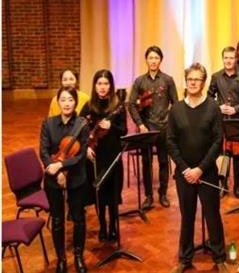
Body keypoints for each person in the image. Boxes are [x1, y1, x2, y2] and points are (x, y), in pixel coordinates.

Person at [166, 63, 228, 273]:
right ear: (186, 81)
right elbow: (170, 141)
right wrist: (185, 169)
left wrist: (200, 169)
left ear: (203, 83)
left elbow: (218, 141)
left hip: (207, 171)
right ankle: (185, 258)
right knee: (187, 216)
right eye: (190, 79)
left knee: (212, 215)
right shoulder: (176, 109)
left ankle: (219, 257)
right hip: (184, 174)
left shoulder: (212, 107)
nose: (192, 83)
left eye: (197, 79)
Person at [40, 86, 89, 273]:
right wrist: (56, 171)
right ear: (58, 102)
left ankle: (78, 256)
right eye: (63, 100)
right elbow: (43, 152)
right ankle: (61, 258)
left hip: (76, 176)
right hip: (53, 178)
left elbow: (81, 155)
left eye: (70, 99)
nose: (67, 103)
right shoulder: (48, 124)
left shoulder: (82, 124)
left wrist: (61, 165)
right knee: (58, 220)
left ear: (75, 102)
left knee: (78, 218)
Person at [129, 45, 178, 209]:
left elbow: (176, 104)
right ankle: (148, 196)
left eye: (156, 58)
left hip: (164, 128)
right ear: (146, 60)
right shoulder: (139, 81)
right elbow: (131, 104)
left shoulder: (168, 80)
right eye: (150, 58)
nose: (153, 61)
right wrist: (140, 124)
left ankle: (162, 193)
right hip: (146, 129)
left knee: (164, 161)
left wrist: (171, 123)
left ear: (160, 60)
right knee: (146, 162)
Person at [80, 70, 126, 242]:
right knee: (99, 195)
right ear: (94, 86)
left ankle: (113, 225)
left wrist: (111, 126)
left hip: (113, 156)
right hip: (95, 157)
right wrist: (86, 148)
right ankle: (102, 226)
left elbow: (124, 131)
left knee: (113, 195)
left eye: (106, 84)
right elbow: (80, 132)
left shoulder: (117, 106)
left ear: (111, 86)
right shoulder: (88, 106)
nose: (102, 87)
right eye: (99, 83)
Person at [208, 46, 239, 199]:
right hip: (221, 121)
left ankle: (237, 185)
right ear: (222, 59)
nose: (228, 60)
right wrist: (218, 107)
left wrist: (235, 109)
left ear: (235, 59)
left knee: (237, 155)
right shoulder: (216, 77)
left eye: (231, 58)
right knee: (222, 153)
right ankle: (223, 183)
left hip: (236, 120)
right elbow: (209, 97)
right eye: (226, 57)